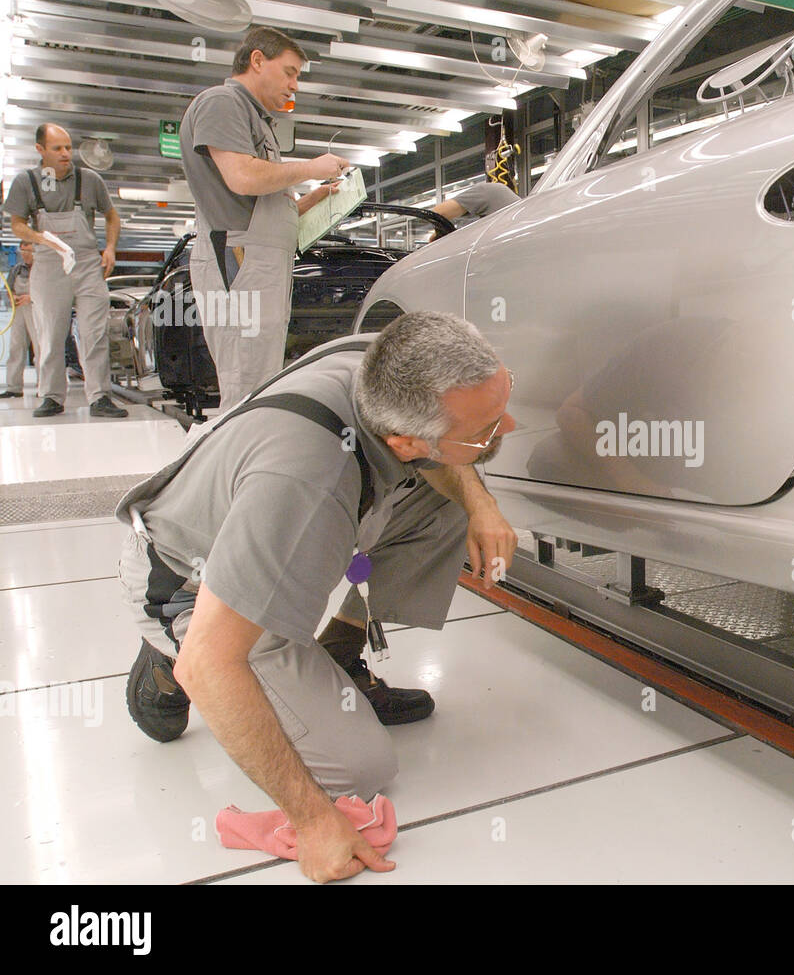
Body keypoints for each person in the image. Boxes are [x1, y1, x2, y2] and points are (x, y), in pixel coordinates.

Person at [116, 311, 517, 883]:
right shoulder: (306, 487)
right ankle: (163, 650)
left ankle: (337, 657)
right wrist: (313, 822)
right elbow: (211, 665)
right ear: (405, 441)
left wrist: (481, 504)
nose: (511, 427)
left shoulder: (386, 359)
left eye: (504, 401)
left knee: (446, 499)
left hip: (264, 520)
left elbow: (441, 459)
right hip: (185, 583)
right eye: (484, 431)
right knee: (360, 770)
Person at [180, 25, 347, 411]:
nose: (295, 85)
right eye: (290, 72)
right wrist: (310, 168)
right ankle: (230, 468)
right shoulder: (222, 102)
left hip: (257, 262)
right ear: (257, 60)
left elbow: (260, 201)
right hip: (240, 260)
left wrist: (312, 201)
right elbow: (243, 178)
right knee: (245, 385)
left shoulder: (257, 118)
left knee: (258, 378)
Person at [2, 124, 128, 418]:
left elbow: (111, 216)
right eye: (57, 148)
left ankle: (100, 397)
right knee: (49, 333)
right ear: (40, 150)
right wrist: (39, 238)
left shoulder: (89, 179)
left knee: (94, 332)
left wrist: (109, 248)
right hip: (48, 263)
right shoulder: (26, 182)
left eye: (68, 147)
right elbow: (17, 224)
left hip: (86, 264)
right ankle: (51, 396)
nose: (65, 154)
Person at [2, 241, 36, 398]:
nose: (24, 254)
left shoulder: (43, 269)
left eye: (28, 251)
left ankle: (46, 388)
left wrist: (32, 297)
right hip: (19, 310)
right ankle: (13, 387)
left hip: (36, 309)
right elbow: (7, 290)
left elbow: (50, 292)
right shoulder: (17, 269)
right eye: (22, 251)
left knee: (41, 349)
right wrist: (12, 297)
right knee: (16, 347)